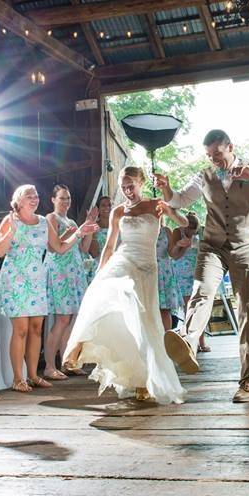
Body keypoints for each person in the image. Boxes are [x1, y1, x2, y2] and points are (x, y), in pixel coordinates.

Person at [158, 129, 249, 403]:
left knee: (247, 310)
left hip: (244, 247)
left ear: (231, 147)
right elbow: (179, 200)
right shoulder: (204, 176)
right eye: (209, 155)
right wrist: (166, 188)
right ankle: (188, 342)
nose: (214, 159)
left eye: (218, 153)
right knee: (201, 291)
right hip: (212, 247)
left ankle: (248, 381)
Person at [63, 166, 186, 404]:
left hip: (148, 268)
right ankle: (76, 348)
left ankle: (143, 380)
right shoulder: (118, 211)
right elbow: (109, 247)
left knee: (144, 321)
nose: (127, 190)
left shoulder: (155, 205)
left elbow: (182, 222)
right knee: (103, 290)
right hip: (124, 259)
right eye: (123, 186)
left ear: (140, 183)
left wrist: (170, 210)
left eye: (131, 185)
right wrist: (98, 274)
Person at [0, 185, 55, 392]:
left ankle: (33, 375)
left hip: (37, 280)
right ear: (18, 200)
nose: (34, 199)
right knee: (21, 329)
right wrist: (11, 230)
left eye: (36, 195)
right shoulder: (11, 220)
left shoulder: (44, 222)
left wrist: (79, 233)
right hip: (15, 280)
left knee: (36, 328)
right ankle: (17, 378)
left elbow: (58, 247)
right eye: (29, 196)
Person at [44, 185, 98, 380]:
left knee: (72, 318)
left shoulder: (72, 220)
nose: (65, 202)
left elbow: (83, 248)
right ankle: (50, 366)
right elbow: (52, 246)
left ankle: (67, 362)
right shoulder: (51, 218)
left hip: (74, 271)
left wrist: (89, 226)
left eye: (68, 198)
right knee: (62, 318)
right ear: (53, 200)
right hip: (59, 271)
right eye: (61, 198)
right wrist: (72, 233)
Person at [169, 212, 210, 353]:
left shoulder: (202, 232)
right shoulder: (177, 232)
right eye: (188, 229)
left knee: (200, 306)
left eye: (193, 229)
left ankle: (201, 341)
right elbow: (174, 255)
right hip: (182, 274)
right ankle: (191, 342)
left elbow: (208, 250)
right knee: (189, 308)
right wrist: (183, 245)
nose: (191, 232)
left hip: (198, 272)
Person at [156, 214, 183, 330]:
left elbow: (173, 253)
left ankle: (167, 341)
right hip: (148, 271)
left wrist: (178, 245)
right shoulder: (142, 231)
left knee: (165, 308)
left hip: (164, 271)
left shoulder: (165, 230)